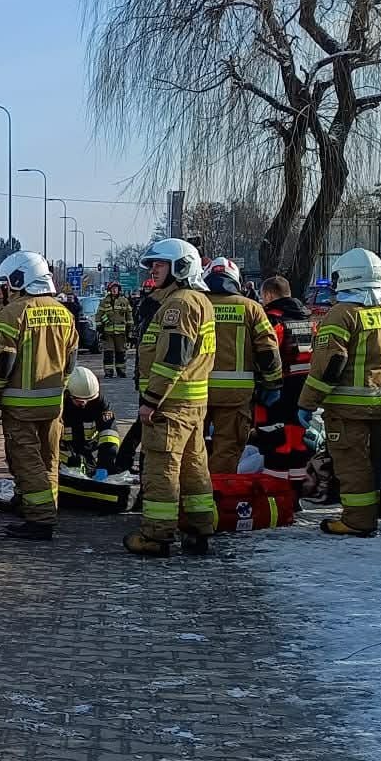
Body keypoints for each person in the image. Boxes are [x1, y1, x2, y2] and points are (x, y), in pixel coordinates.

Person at [300, 248, 381, 537]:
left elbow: (330, 364)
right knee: (373, 461)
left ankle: (357, 521)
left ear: (345, 278)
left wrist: (307, 402)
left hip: (347, 407)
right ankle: (367, 513)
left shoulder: (342, 314)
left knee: (352, 464)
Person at [125, 238, 218, 557]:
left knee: (161, 468)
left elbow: (172, 358)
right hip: (190, 404)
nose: (153, 271)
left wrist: (151, 401)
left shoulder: (180, 304)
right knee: (194, 468)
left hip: (170, 405)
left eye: (160, 265)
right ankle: (199, 527)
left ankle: (156, 535)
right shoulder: (195, 300)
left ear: (181, 268)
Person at [0, 251, 77, 541]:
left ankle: (39, 517)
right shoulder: (64, 312)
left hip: (20, 404)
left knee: (26, 460)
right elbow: (71, 360)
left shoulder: (13, 313)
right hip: (53, 402)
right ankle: (46, 507)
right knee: (49, 459)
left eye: (9, 284)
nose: (7, 291)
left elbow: (3, 361)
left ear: (20, 279)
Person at [203, 257, 282, 475]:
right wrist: (272, 384)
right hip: (236, 395)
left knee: (193, 448)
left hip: (196, 392)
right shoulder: (251, 308)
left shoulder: (195, 305)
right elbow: (268, 351)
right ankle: (218, 497)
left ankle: (191, 498)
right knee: (227, 449)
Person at [255, 274, 316, 485]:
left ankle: (276, 492)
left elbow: (267, 354)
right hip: (304, 389)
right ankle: (295, 493)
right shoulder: (308, 320)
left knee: (276, 442)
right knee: (297, 442)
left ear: (269, 295)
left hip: (278, 389)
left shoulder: (274, 320)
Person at [61, 365, 122, 474]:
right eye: (79, 401)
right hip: (63, 456)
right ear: (68, 394)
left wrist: (105, 463)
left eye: (89, 399)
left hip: (89, 453)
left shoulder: (99, 402)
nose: (84, 403)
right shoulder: (60, 405)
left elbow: (109, 434)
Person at [98, 281, 135, 378]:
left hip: (121, 333)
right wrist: (100, 328)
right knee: (108, 353)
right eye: (112, 288)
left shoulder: (124, 301)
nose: (114, 290)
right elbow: (99, 315)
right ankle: (108, 372)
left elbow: (129, 316)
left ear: (119, 289)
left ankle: (121, 371)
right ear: (109, 290)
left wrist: (129, 330)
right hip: (108, 333)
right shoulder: (104, 301)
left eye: (116, 288)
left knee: (121, 352)